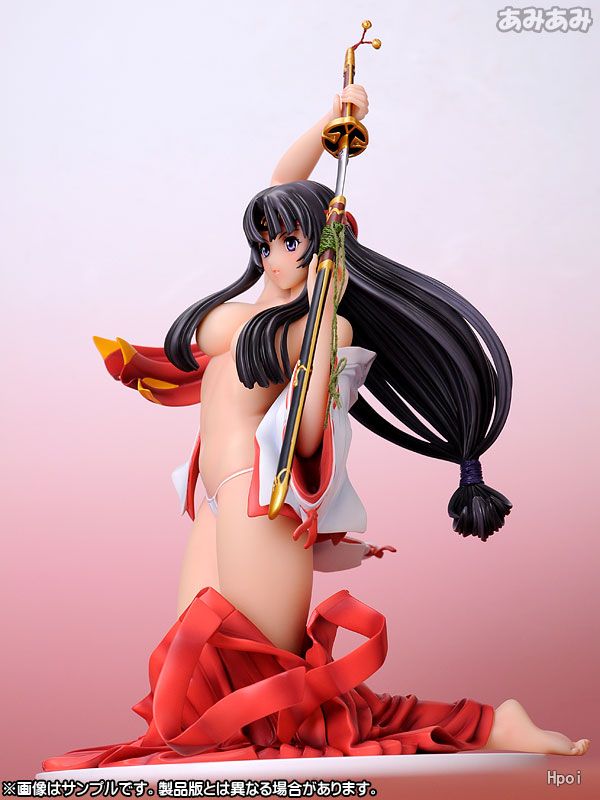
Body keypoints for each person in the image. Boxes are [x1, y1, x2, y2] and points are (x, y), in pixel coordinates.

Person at [41, 85, 589, 771]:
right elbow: (283, 185)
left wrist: (327, 318)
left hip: (260, 502)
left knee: (277, 697)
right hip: (214, 505)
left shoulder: (324, 328)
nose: (273, 256)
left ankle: (489, 726)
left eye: (290, 243)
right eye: (265, 242)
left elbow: (307, 441)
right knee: (202, 677)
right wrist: (331, 123)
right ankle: (488, 726)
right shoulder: (257, 304)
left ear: (324, 253)